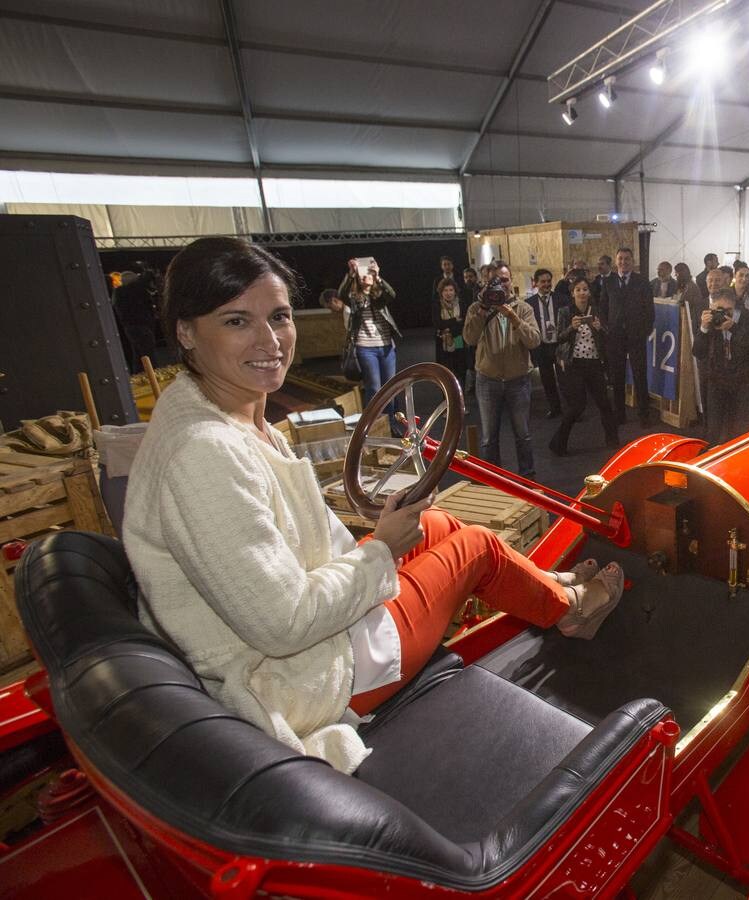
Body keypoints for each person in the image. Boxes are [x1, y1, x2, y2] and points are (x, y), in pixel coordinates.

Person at [123, 236, 623, 777]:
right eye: (237, 321)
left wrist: (385, 542)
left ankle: (548, 588)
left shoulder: (233, 417)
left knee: (435, 522)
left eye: (281, 316)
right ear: (186, 331)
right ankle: (572, 611)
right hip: (305, 677)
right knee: (476, 545)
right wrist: (382, 547)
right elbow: (283, 625)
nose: (270, 340)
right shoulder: (203, 453)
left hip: (303, 639)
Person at [463, 262, 541, 477]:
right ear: (485, 284)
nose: (501, 285)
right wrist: (482, 310)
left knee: (523, 434)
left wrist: (513, 317)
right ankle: (493, 480)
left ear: (511, 281)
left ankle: (528, 479)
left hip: (518, 380)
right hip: (488, 380)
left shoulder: (523, 308)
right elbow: (469, 338)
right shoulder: (476, 308)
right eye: (494, 281)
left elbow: (534, 341)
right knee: (489, 437)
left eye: (504, 279)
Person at [549, 276, 618, 456]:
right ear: (572, 293)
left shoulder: (596, 311)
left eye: (585, 289)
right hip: (575, 364)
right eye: (578, 290)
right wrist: (571, 327)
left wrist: (599, 327)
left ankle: (613, 440)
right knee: (577, 406)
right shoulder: (565, 312)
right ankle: (558, 443)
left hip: (595, 363)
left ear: (589, 292)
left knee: (604, 403)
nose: (582, 293)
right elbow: (559, 337)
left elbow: (608, 335)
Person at [693, 287, 749, 444]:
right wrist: (703, 328)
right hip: (716, 379)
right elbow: (698, 352)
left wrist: (734, 329)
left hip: (740, 380)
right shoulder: (708, 320)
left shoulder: (746, 318)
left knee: (738, 428)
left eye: (728, 310)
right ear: (711, 307)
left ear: (735, 306)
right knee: (713, 428)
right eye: (718, 310)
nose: (723, 315)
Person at [598, 247, 656, 428]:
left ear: (632, 261)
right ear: (616, 262)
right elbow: (602, 309)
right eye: (620, 259)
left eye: (627, 259)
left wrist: (644, 331)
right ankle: (620, 414)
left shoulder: (642, 282)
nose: (624, 262)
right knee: (617, 377)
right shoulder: (608, 283)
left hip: (636, 336)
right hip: (615, 338)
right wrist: (607, 329)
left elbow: (649, 311)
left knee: (640, 375)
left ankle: (644, 415)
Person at [338, 257, 402, 413]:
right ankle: (375, 426)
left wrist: (378, 277)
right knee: (374, 388)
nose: (367, 276)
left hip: (386, 346)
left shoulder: (379, 297)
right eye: (364, 273)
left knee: (390, 387)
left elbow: (392, 294)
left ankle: (391, 424)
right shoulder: (354, 298)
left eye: (369, 273)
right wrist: (351, 274)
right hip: (366, 348)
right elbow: (342, 295)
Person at [525, 268, 566, 419]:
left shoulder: (562, 299)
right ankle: (555, 408)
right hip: (542, 345)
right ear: (536, 283)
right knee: (547, 379)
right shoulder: (529, 304)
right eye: (543, 282)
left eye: (549, 281)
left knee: (565, 379)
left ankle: (570, 409)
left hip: (559, 344)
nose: (547, 284)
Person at [431, 279, 471, 396]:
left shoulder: (462, 304)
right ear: (441, 292)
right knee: (445, 373)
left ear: (455, 291)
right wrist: (454, 321)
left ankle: (461, 403)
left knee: (460, 371)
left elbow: (464, 322)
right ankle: (446, 404)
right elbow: (437, 323)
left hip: (458, 339)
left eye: (451, 290)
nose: (448, 293)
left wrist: (448, 326)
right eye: (445, 290)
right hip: (442, 342)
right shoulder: (436, 304)